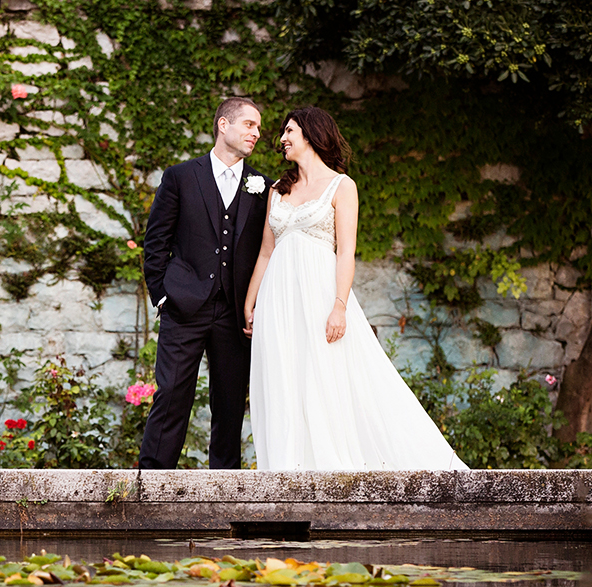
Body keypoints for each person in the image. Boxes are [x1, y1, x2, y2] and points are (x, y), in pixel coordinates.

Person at [244, 106, 468, 469]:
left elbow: (346, 251)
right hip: (277, 299)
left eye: (289, 131)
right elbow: (266, 252)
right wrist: (251, 301)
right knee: (283, 377)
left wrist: (339, 305)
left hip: (319, 293)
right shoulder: (276, 190)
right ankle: (288, 469)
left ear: (312, 134)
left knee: (325, 374)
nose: (282, 139)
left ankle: (329, 468)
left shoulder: (342, 186)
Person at [139, 97, 272, 469]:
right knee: (171, 394)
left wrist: (254, 303)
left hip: (234, 312)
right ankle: (151, 480)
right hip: (184, 306)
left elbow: (267, 248)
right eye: (249, 125)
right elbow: (156, 242)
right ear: (223, 125)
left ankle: (224, 486)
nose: (256, 134)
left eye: (259, 128)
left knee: (229, 401)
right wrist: (162, 297)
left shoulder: (262, 184)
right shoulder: (181, 176)